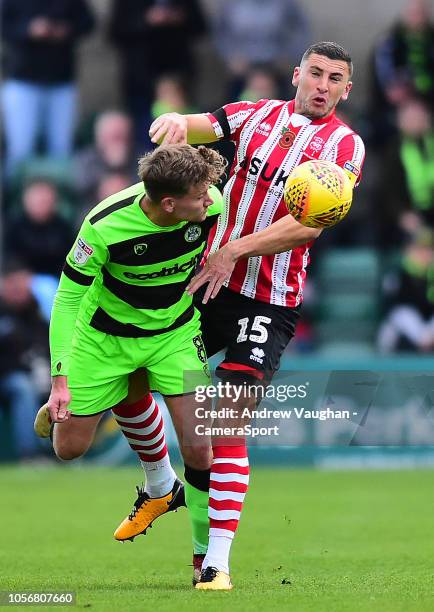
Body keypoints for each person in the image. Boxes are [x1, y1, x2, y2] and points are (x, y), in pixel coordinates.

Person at [149, 41, 366, 590]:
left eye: (334, 78)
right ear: (296, 75)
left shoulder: (344, 146)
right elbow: (196, 124)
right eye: (315, 72)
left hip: (268, 301)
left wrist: (234, 249)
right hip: (207, 287)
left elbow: (310, 224)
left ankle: (216, 564)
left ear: (346, 89)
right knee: (152, 387)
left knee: (226, 423)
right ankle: (158, 481)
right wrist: (173, 121)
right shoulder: (255, 115)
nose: (322, 84)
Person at [34, 144, 226, 555]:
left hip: (175, 331)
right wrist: (60, 379)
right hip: (105, 337)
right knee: (68, 450)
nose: (210, 200)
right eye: (200, 196)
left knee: (199, 448)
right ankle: (161, 483)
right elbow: (67, 300)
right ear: (170, 204)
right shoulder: (103, 225)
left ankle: (204, 559)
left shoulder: (212, 204)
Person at [1, 0, 95, 178]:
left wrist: (65, 30)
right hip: (22, 80)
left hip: (61, 81)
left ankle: (61, 200)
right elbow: (5, 25)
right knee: (21, 149)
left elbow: (87, 23)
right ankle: (16, 201)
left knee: (61, 149)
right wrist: (28, 29)